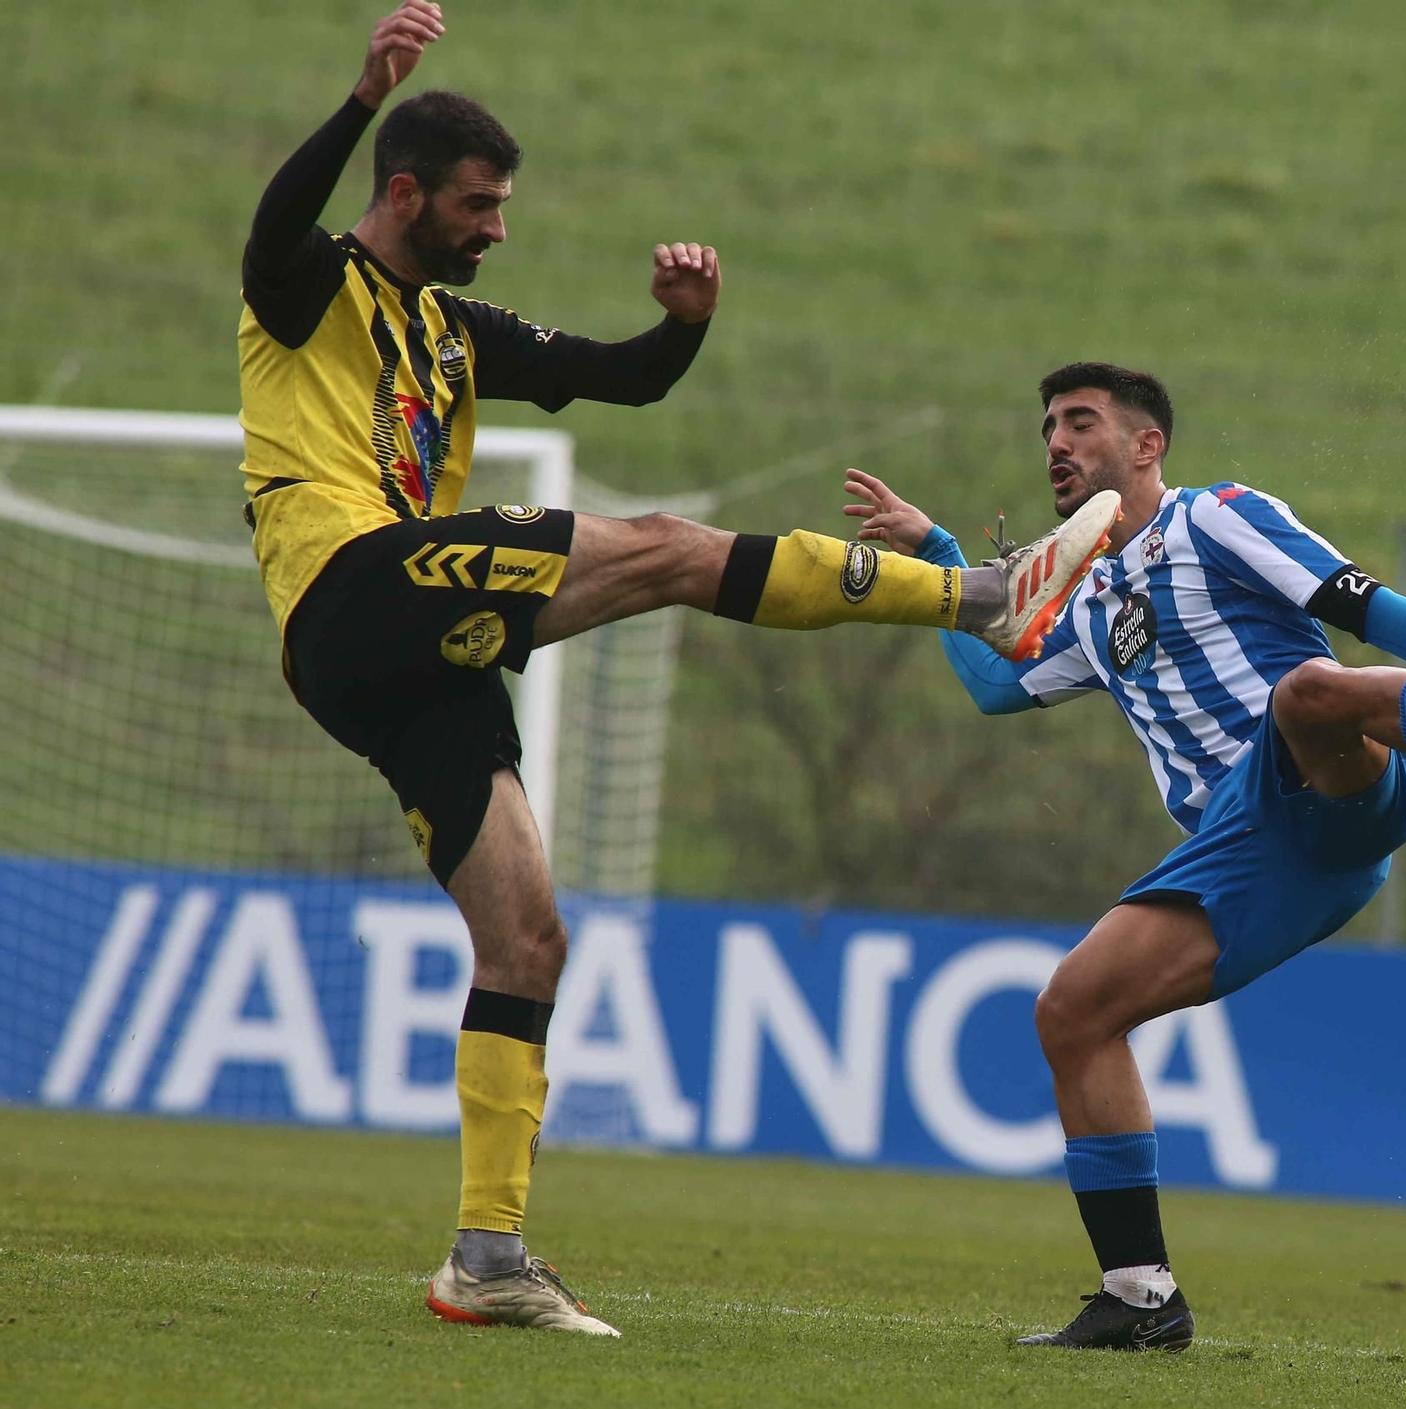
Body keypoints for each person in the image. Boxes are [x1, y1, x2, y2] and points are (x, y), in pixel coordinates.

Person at [239, 2, 1117, 1337]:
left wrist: (686, 324)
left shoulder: (459, 332)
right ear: (405, 192)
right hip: (353, 588)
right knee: (662, 548)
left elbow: (623, 381)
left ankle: (487, 1254)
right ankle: (984, 596)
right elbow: (271, 232)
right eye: (479, 204)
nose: (497, 227)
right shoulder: (310, 289)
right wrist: (361, 95)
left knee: (529, 933)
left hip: (413, 647)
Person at [844, 362, 1406, 1352]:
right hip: (1248, 853)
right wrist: (936, 553)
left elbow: (1369, 609)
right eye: (1047, 426)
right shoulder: (1085, 604)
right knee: (1070, 1013)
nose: (1055, 441)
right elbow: (993, 687)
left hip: (1334, 777)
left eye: (1080, 422)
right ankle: (1139, 1300)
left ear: (1146, 445)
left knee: (1304, 690)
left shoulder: (1214, 516)